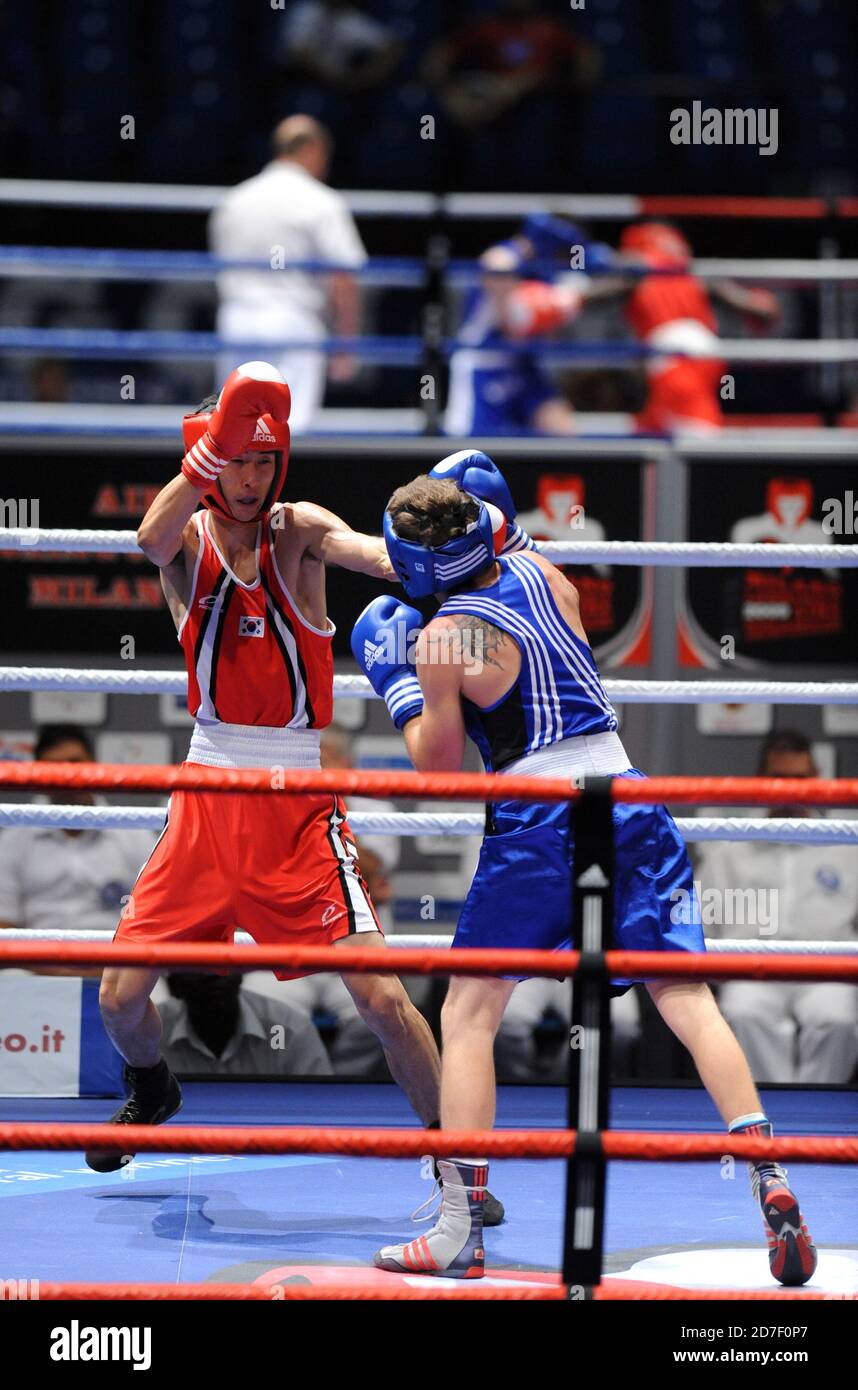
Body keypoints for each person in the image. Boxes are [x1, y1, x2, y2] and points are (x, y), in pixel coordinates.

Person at [351, 449, 817, 1285]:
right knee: (685, 995)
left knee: (469, 1012)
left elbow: (439, 764)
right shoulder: (542, 573)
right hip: (628, 795)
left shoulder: (442, 638)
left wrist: (399, 682)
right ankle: (768, 1173)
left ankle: (460, 1228)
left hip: (538, 814)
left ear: (423, 569)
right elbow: (445, 554)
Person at [87, 362, 464, 1214]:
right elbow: (147, 537)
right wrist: (204, 462)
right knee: (118, 999)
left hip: (295, 798)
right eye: (237, 462)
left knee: (381, 998)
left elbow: (372, 556)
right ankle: (154, 1088)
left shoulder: (298, 532)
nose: (253, 479)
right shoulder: (183, 546)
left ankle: (453, 1167)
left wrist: (442, 553)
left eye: (263, 461)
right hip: (208, 790)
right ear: (212, 460)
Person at [697, 730, 858, 1084]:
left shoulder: (847, 843)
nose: (790, 789)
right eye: (779, 778)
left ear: (816, 780)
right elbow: (703, 926)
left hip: (827, 973)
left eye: (800, 779)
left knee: (838, 1020)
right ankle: (778, 1116)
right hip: (754, 972)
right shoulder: (730, 845)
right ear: (761, 781)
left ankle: (813, 1116)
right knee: (743, 1011)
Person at [209, 116, 367, 435]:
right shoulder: (321, 201)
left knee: (232, 432)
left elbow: (220, 264)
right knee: (290, 430)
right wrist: (346, 344)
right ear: (311, 149)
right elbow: (344, 275)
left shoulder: (234, 201)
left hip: (236, 322)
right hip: (293, 323)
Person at [588, 221, 780, 434]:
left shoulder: (640, 270)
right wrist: (760, 304)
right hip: (706, 352)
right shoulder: (693, 272)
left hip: (672, 353)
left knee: (699, 431)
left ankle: (714, 464)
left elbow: (596, 293)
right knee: (653, 426)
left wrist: (570, 292)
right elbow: (761, 310)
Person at [0, 725, 157, 977]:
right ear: (37, 773)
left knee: (153, 985)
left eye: (74, 762)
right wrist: (54, 971)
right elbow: (3, 926)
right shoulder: (13, 840)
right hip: (36, 971)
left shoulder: (134, 835)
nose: (66, 774)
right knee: (10, 976)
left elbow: (152, 919)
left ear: (93, 764)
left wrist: (112, 965)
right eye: (53, 766)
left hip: (117, 969)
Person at [445, 214, 611, 436]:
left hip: (524, 366)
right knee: (471, 451)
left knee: (565, 433)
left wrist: (581, 291)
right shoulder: (504, 258)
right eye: (563, 252)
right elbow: (515, 325)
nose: (564, 259)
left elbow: (552, 337)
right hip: (484, 365)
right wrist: (562, 300)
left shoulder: (550, 273)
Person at [160, 973, 332, 1079]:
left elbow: (321, 1110)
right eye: (198, 967)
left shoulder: (291, 1028)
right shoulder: (147, 1033)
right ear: (174, 985)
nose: (213, 975)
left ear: (241, 974)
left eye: (223, 963)